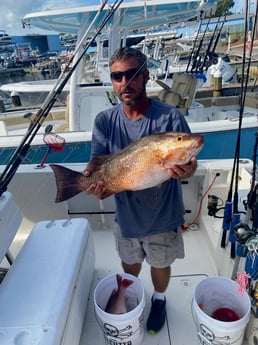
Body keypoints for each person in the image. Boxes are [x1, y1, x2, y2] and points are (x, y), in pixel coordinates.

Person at [84, 47, 197, 334]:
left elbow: (191, 164)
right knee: (130, 261)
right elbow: (97, 165)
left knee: (161, 263)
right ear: (112, 81)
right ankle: (131, 290)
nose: (125, 82)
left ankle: (159, 299)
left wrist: (188, 170)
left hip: (164, 217)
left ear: (145, 75)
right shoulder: (104, 121)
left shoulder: (170, 119)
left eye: (131, 74)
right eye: (117, 76)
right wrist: (93, 184)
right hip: (127, 215)